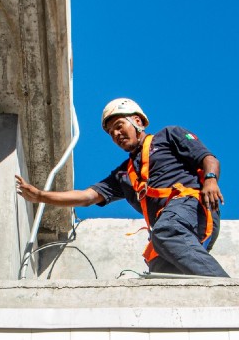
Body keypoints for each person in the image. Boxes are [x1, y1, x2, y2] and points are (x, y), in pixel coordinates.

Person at [16, 97, 226, 277]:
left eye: (119, 126)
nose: (116, 134)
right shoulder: (123, 175)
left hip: (192, 207)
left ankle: (228, 292)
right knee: (158, 265)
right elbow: (87, 196)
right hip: (170, 227)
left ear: (137, 121)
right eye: (110, 132)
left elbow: (207, 157)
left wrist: (210, 180)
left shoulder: (168, 136)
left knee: (166, 231)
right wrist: (41, 196)